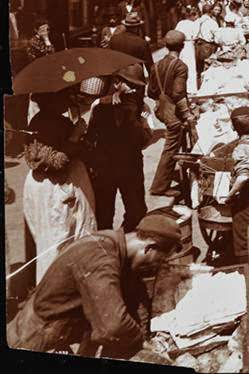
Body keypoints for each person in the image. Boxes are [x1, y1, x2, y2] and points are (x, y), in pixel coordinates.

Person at [7, 212, 181, 359]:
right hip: (36, 337)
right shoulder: (101, 258)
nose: (156, 266)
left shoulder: (117, 245)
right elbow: (113, 326)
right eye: (160, 260)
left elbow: (136, 294)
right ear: (149, 248)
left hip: (62, 329)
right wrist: (141, 343)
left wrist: (144, 334)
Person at [23, 90, 96, 282]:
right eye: (64, 97)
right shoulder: (42, 126)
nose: (69, 101)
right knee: (56, 241)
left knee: (68, 238)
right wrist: (75, 136)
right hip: (53, 190)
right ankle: (55, 291)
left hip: (58, 187)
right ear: (51, 101)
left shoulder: (57, 120)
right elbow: (56, 162)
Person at [85, 64, 149, 232]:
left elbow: (144, 141)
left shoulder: (140, 108)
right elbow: (91, 138)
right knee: (104, 214)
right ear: (116, 82)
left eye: (137, 87)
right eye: (131, 85)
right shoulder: (99, 106)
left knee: (136, 211)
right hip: (106, 167)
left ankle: (124, 239)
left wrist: (138, 118)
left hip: (131, 165)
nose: (134, 91)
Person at [209, 106, 249, 263]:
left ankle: (248, 279)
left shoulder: (241, 149)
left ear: (234, 127)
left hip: (247, 203)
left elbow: (243, 177)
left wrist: (229, 196)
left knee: (243, 245)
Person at [147, 30, 195, 198]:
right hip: (174, 115)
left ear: (166, 46)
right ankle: (159, 187)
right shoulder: (181, 66)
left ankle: (179, 175)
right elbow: (178, 94)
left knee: (173, 144)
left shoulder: (156, 65)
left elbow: (151, 92)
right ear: (182, 46)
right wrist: (188, 114)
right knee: (170, 148)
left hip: (162, 110)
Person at [174, 6, 200, 94]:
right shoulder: (194, 24)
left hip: (181, 45)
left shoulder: (180, 23)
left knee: (181, 66)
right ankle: (191, 88)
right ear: (192, 15)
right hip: (189, 45)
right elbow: (196, 36)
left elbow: (176, 33)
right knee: (191, 66)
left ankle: (181, 87)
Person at [194, 3, 220, 82]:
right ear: (211, 11)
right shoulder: (212, 23)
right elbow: (217, 39)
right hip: (208, 47)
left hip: (198, 46)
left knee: (198, 68)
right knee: (208, 68)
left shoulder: (197, 21)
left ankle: (198, 84)